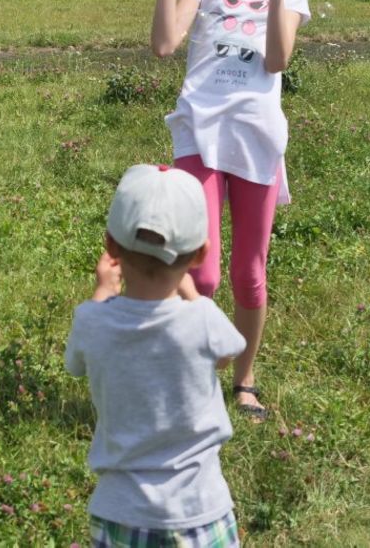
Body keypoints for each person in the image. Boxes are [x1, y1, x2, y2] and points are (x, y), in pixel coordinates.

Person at [146, 0, 322, 421]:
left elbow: (276, 61)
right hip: (199, 130)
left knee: (250, 272)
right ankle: (189, 365)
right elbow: (164, 44)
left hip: (256, 137)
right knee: (201, 274)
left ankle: (244, 380)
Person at [66, 164, 246, 548]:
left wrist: (101, 293)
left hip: (122, 514)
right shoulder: (203, 319)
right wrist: (191, 294)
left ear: (111, 247)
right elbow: (227, 356)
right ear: (200, 254)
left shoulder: (92, 321)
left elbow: (74, 364)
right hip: (201, 510)